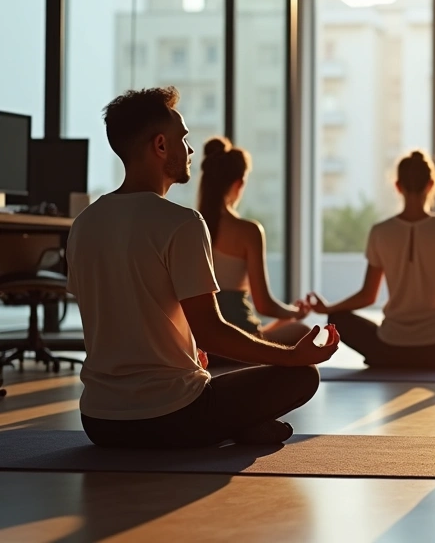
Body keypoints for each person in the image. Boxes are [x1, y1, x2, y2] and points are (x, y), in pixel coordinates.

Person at [68, 87, 340, 449]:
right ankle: (234, 426)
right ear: (161, 145)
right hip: (172, 414)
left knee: (210, 377)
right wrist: (294, 356)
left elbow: (118, 317)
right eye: (183, 138)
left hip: (100, 422)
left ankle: (235, 426)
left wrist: (182, 350)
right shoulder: (180, 222)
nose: (190, 150)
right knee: (303, 376)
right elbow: (211, 332)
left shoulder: (84, 224)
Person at [306, 150, 435, 369]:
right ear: (431, 185)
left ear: (398, 186)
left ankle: (388, 359)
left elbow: (367, 295)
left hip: (389, 347)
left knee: (338, 320)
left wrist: (329, 309)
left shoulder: (380, 231)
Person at [197, 136, 312, 351]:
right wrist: (296, 312)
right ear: (238, 183)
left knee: (286, 326)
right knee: (302, 330)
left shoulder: (189, 225)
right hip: (241, 339)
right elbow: (264, 305)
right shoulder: (248, 230)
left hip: (203, 342)